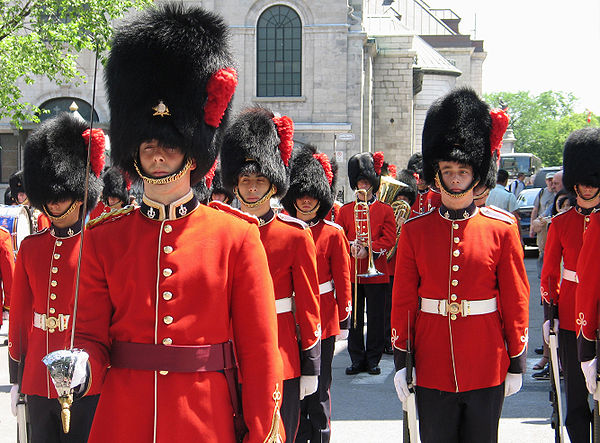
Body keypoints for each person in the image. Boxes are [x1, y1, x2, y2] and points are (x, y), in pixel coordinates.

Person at [73, 5, 284, 442]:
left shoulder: (237, 236)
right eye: (147, 143)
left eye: (169, 143)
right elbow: (92, 337)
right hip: (123, 421)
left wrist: (263, 430)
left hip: (205, 420)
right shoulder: (103, 238)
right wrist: (80, 366)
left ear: (192, 149)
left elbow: (260, 350)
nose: (157, 153)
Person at [391, 88, 529, 443]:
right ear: (436, 172)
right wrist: (400, 359)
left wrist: (516, 360)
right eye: (447, 169)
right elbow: (404, 299)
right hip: (432, 362)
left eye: (462, 169)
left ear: (476, 172)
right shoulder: (415, 231)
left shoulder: (502, 228)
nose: (454, 177)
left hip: (486, 361)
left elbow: (515, 299)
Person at [220, 107, 321, 442]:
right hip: (229, 355)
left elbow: (307, 305)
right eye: (245, 181)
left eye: (259, 180)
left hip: (281, 357)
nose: (251, 189)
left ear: (272, 183)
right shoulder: (222, 230)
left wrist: (311, 364)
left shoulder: (294, 234)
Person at [8, 112, 105, 443]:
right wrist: (17, 377)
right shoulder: (33, 249)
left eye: (62, 195)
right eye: (49, 196)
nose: (55, 202)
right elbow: (21, 318)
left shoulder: (100, 246)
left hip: (85, 376)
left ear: (81, 192)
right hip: (37, 374)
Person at [279, 144, 352, 443]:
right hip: (290, 322)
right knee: (294, 390)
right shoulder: (286, 230)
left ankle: (320, 435)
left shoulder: (333, 233)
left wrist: (344, 319)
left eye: (312, 195)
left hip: (323, 319)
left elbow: (343, 279)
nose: (306, 200)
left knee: (320, 389)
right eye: (300, 194)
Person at [541, 128, 600, 442]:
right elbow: (549, 273)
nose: (588, 186)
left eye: (594, 180)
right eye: (583, 180)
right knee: (575, 395)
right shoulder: (561, 223)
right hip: (570, 315)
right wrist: (550, 312)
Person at [336, 152, 396, 376]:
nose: (364, 185)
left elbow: (389, 238)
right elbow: (340, 236)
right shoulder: (345, 210)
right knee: (355, 319)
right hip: (353, 272)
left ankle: (373, 359)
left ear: (374, 184)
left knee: (376, 319)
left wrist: (369, 248)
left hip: (377, 271)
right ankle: (356, 358)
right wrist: (353, 247)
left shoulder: (385, 210)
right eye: (360, 182)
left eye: (367, 182)